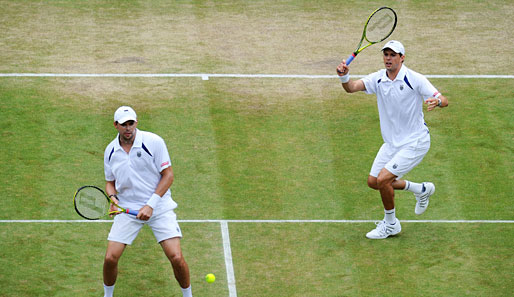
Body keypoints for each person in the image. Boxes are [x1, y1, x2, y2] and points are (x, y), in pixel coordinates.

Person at [336, 40, 448, 239]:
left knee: (384, 179)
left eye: (393, 55)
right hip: (391, 143)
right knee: (374, 182)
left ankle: (391, 224)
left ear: (402, 58)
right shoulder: (378, 79)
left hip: (415, 142)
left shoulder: (415, 79)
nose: (388, 58)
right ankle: (421, 189)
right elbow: (352, 88)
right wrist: (345, 77)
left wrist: (437, 101)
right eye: (386, 54)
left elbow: (444, 99)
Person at [102, 106, 192, 296]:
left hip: (159, 207)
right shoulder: (110, 151)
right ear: (115, 125)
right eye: (123, 124)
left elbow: (168, 175)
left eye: (131, 123)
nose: (128, 128)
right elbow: (110, 182)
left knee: (176, 257)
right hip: (128, 209)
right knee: (110, 258)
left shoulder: (154, 142)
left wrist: (150, 204)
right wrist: (113, 198)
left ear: (136, 123)